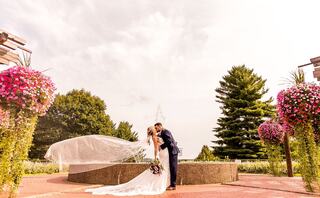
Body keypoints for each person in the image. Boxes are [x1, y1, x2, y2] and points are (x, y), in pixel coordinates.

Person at [154, 122, 179, 190]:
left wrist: (161, 147)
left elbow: (169, 141)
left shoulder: (165, 131)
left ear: (160, 126)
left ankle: (173, 185)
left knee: (173, 168)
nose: (156, 129)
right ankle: (170, 184)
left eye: (156, 128)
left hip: (173, 152)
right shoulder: (161, 133)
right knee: (170, 168)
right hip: (169, 152)